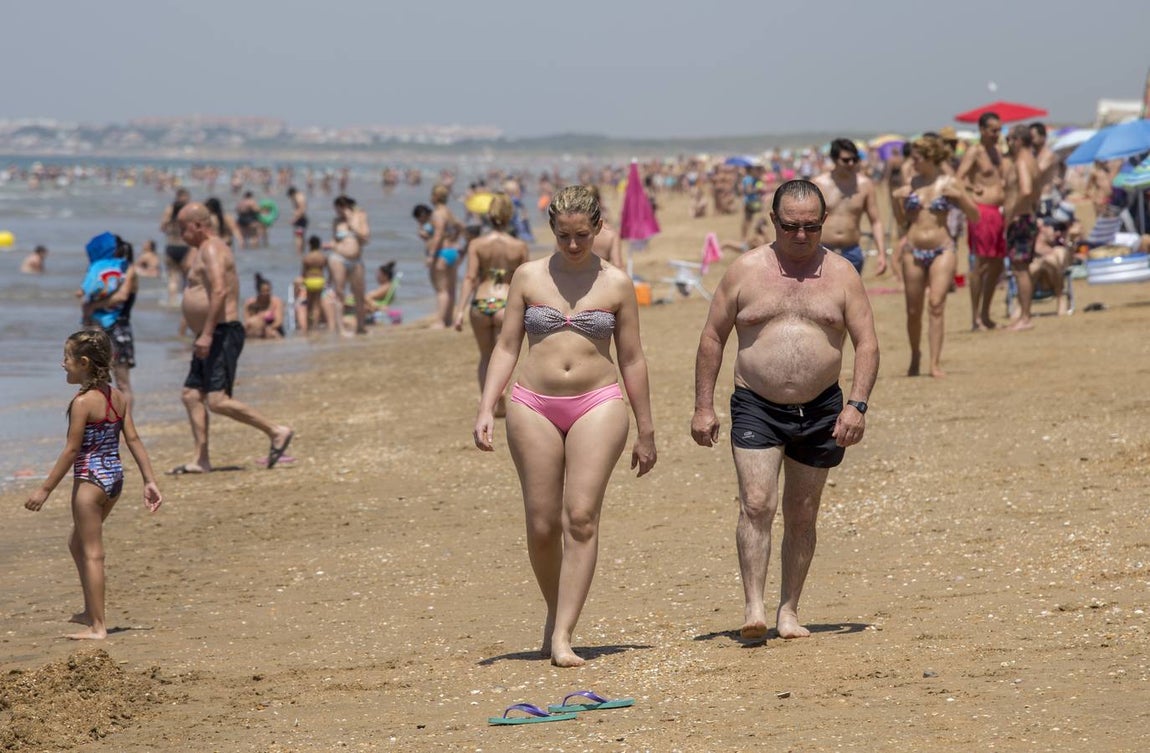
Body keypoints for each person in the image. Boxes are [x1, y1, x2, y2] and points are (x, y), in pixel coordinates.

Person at [473, 185, 657, 667]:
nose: (573, 246)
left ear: (598, 228)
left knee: (580, 517)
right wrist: (485, 405)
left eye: (581, 236)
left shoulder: (617, 283)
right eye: (563, 236)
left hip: (598, 402)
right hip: (532, 403)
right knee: (541, 523)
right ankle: (555, 612)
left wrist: (647, 428)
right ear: (551, 231)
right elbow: (507, 347)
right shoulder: (528, 276)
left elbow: (633, 358)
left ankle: (563, 637)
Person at [691, 179, 878, 642]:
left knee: (802, 512)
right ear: (773, 221)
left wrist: (857, 405)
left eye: (811, 227)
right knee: (757, 503)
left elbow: (867, 342)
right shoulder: (744, 271)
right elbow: (713, 337)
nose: (801, 236)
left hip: (821, 409)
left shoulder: (842, 274)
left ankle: (789, 609)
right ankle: (753, 606)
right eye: (791, 226)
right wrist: (703, 406)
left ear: (823, 223)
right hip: (756, 403)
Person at [24, 329, 162, 640]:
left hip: (89, 484)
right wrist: (149, 481)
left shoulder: (83, 402)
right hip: (114, 480)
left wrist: (44, 489)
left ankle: (98, 626)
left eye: (67, 358)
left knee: (93, 553)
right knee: (77, 543)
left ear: (84, 362)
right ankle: (91, 611)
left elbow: (72, 450)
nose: (63, 364)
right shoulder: (117, 397)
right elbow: (135, 440)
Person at [171, 202, 294, 474]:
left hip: (221, 332)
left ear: (199, 226)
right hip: (210, 333)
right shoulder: (202, 249)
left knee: (217, 400)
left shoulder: (213, 248)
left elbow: (219, 292)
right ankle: (201, 459)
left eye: (183, 228)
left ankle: (276, 431)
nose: (180, 234)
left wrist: (205, 334)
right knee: (192, 395)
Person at [892, 136, 980, 377]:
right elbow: (902, 222)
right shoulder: (911, 184)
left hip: (943, 248)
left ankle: (935, 362)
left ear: (930, 158)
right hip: (913, 248)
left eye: (918, 158)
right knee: (913, 309)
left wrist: (960, 197)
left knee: (936, 304)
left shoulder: (949, 182)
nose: (913, 162)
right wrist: (895, 201)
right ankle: (915, 355)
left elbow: (975, 216)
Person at [454, 193, 530, 415]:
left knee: (485, 356)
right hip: (505, 303)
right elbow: (526, 277)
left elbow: (469, 277)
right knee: (504, 354)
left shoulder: (477, 244)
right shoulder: (519, 246)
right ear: (509, 216)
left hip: (481, 302)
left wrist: (459, 311)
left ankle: (489, 403)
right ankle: (502, 392)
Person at [956, 112, 1007, 331]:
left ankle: (986, 314)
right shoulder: (975, 151)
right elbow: (958, 178)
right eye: (993, 130)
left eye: (999, 130)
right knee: (980, 264)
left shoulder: (997, 152)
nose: (997, 134)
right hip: (982, 211)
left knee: (996, 265)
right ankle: (975, 316)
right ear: (982, 130)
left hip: (998, 211)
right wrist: (971, 188)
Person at [80, 234, 140, 410]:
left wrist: (93, 306)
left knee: (122, 382)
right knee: (93, 380)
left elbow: (121, 297)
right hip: (95, 327)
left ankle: (125, 426)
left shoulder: (128, 270)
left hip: (118, 328)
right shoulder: (98, 271)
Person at [812, 139, 888, 275]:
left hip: (851, 251)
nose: (851, 164)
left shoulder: (865, 185)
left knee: (849, 295)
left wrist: (881, 253)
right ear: (834, 160)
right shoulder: (819, 184)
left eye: (855, 159)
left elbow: (876, 221)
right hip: (822, 250)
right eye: (846, 160)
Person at [1003, 125, 1041, 331]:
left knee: (1020, 270)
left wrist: (1011, 214)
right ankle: (1024, 315)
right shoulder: (1032, 160)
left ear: (1018, 140)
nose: (1008, 144)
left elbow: (1026, 190)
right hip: (1027, 217)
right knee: (1022, 268)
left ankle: (1025, 317)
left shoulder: (1021, 162)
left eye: (1009, 139)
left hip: (1020, 220)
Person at [326, 195, 370, 336]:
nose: (338, 212)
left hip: (356, 259)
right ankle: (341, 329)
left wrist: (351, 223)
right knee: (340, 292)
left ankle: (361, 326)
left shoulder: (360, 216)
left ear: (346, 207)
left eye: (339, 209)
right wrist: (331, 245)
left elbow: (365, 238)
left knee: (359, 293)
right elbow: (334, 239)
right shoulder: (336, 222)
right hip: (338, 258)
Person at [426, 184, 464, 329]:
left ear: (435, 197)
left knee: (441, 289)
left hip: (441, 253)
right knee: (451, 288)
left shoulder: (438, 213)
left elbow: (438, 234)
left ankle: (440, 321)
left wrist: (431, 254)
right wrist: (454, 238)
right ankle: (448, 319)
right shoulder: (449, 212)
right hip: (452, 252)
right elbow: (460, 226)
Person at [159, 187, 190, 306]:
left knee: (172, 278)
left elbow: (162, 227)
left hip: (171, 247)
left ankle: (172, 303)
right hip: (185, 248)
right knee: (185, 278)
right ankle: (185, 303)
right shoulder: (188, 213)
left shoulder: (169, 211)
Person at [298, 234, 333, 333]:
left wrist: (303, 282)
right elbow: (329, 270)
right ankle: (315, 325)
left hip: (309, 281)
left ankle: (308, 324)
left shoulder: (307, 257)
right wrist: (329, 280)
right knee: (317, 305)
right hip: (319, 281)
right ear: (319, 244)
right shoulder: (323, 257)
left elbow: (303, 272)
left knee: (309, 303)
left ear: (310, 245)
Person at [587, 185, 625, 268]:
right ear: (599, 201)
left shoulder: (569, 232)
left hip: (574, 279)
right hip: (601, 278)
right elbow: (617, 264)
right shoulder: (611, 234)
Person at [243, 273, 285, 339]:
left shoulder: (277, 302)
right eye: (264, 291)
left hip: (273, 328)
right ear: (258, 292)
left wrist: (268, 328)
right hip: (256, 329)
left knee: (272, 333)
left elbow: (279, 322)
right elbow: (247, 321)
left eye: (268, 290)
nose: (267, 293)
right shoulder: (250, 303)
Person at [288, 186, 308, 255]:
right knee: (301, 237)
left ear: (292, 194)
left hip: (300, 220)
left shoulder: (298, 197)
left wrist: (295, 219)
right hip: (302, 219)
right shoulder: (300, 196)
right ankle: (301, 253)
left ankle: (298, 253)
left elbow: (302, 209)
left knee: (298, 237)